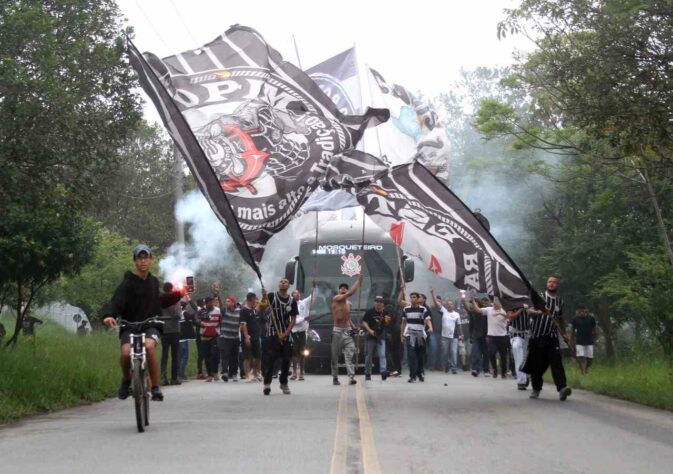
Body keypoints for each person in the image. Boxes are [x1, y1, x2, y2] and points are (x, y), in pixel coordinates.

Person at [102, 244, 177, 402]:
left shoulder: (154, 282)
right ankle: (126, 379)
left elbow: (161, 300)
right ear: (135, 262)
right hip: (129, 325)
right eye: (139, 258)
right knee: (125, 353)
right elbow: (116, 302)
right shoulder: (127, 283)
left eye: (146, 258)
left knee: (149, 347)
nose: (143, 261)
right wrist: (109, 316)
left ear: (151, 260)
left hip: (151, 325)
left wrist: (179, 294)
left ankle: (155, 387)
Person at [523, 276, 572, 401]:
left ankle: (562, 388)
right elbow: (529, 310)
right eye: (550, 282)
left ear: (557, 285)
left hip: (552, 337)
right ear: (547, 284)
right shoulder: (540, 297)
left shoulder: (559, 302)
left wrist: (565, 334)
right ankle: (536, 389)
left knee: (557, 362)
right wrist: (540, 312)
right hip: (537, 336)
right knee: (536, 365)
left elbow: (560, 319)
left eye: (554, 282)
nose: (552, 284)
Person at [260, 278, 297, 395]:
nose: (283, 283)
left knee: (286, 360)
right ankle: (267, 384)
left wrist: (286, 333)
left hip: (285, 334)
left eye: (285, 281)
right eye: (281, 281)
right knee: (270, 360)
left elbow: (293, 319)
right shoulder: (271, 296)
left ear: (288, 285)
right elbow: (260, 309)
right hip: (272, 333)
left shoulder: (292, 301)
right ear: (278, 284)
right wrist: (263, 298)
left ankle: (284, 383)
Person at [331, 273, 363, 386]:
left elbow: (348, 317)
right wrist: (358, 282)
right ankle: (335, 377)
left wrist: (354, 327)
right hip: (337, 331)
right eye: (341, 288)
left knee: (349, 355)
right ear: (339, 290)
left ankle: (351, 377)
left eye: (345, 288)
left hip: (348, 331)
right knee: (335, 357)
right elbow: (351, 293)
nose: (343, 289)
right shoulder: (336, 299)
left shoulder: (349, 304)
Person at [467, 296, 510, 379]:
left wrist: (500, 313)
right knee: (491, 353)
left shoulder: (504, 310)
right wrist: (472, 300)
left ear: (500, 302)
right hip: (491, 336)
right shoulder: (489, 309)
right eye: (494, 300)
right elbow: (478, 310)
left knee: (503, 356)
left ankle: (503, 372)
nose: (495, 302)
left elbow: (509, 317)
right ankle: (495, 370)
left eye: (497, 300)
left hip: (502, 336)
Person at [399, 288, 433, 383]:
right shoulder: (406, 309)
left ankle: (419, 373)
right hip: (410, 334)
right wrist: (401, 335)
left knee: (420, 356)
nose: (412, 299)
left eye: (414, 297)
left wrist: (430, 327)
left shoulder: (423, 309)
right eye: (411, 297)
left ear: (418, 299)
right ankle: (412, 376)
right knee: (411, 355)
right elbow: (403, 322)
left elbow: (427, 319)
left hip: (420, 335)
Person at [159, 282, 187, 386]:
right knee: (175, 355)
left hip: (163, 329)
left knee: (164, 354)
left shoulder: (160, 299)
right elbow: (178, 314)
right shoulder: (175, 300)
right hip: (174, 330)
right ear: (171, 289)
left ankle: (163, 377)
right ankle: (174, 378)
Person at [430, 290, 462, 374]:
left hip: (454, 336)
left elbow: (459, 325)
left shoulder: (457, 314)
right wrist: (432, 294)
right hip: (444, 336)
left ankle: (454, 368)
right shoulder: (444, 311)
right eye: (448, 304)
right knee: (444, 353)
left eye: (451, 304)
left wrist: (461, 334)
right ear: (446, 305)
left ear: (453, 305)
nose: (449, 306)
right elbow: (436, 303)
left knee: (454, 352)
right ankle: (447, 363)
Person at [290, 282, 316, 381]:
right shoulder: (289, 305)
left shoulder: (304, 303)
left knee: (302, 353)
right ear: (292, 296)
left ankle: (301, 372)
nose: (297, 294)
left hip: (302, 332)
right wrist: (304, 318)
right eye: (295, 293)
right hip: (293, 332)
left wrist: (314, 288)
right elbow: (292, 321)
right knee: (294, 353)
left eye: (298, 293)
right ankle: (294, 372)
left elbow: (312, 297)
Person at [361, 295, 390, 381]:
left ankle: (383, 372)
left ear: (383, 304)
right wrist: (369, 330)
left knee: (382, 354)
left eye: (381, 302)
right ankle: (368, 372)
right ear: (374, 303)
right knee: (369, 355)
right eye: (377, 302)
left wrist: (387, 321)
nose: (379, 304)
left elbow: (387, 324)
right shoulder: (370, 312)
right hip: (371, 336)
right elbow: (364, 322)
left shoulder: (385, 313)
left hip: (381, 336)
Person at [507, 305, 531, 390]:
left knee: (527, 358)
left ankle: (526, 376)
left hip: (527, 334)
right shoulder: (512, 302)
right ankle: (521, 381)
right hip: (516, 334)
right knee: (519, 358)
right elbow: (510, 316)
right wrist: (520, 310)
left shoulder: (529, 302)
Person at [240, 292, 263, 382]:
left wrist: (264, 295)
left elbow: (261, 305)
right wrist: (246, 337)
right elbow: (243, 324)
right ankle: (247, 375)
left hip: (256, 337)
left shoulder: (253, 310)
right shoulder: (244, 310)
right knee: (247, 357)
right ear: (251, 299)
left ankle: (256, 373)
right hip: (248, 337)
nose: (256, 301)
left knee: (258, 356)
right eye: (255, 299)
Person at [218, 295, 241, 382]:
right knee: (225, 355)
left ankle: (234, 374)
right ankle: (225, 372)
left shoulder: (239, 311)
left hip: (235, 337)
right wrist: (218, 295)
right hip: (225, 337)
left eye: (228, 301)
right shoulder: (224, 311)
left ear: (233, 302)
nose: (226, 303)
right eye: (226, 301)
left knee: (235, 357)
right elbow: (221, 306)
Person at [199, 296, 222, 382]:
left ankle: (215, 372)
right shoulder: (202, 311)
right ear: (206, 303)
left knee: (214, 354)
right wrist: (200, 322)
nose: (211, 304)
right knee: (207, 355)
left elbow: (221, 321)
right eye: (208, 303)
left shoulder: (218, 310)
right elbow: (196, 319)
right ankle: (209, 375)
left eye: (212, 302)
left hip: (215, 335)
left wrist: (218, 328)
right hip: (204, 336)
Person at [570, 305, 598, 375]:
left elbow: (594, 330)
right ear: (578, 312)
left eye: (582, 311)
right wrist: (571, 340)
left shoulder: (591, 319)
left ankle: (585, 369)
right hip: (579, 342)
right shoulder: (575, 319)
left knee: (590, 360)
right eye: (579, 311)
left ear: (585, 310)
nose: (581, 313)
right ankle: (583, 374)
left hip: (589, 341)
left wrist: (595, 339)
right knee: (582, 358)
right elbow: (572, 331)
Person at [178, 298, 198, 381]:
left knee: (179, 356)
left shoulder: (177, 313)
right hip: (184, 338)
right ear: (184, 307)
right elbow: (195, 310)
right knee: (185, 356)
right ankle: (181, 373)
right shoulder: (185, 314)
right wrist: (190, 300)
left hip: (178, 337)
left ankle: (178, 372)